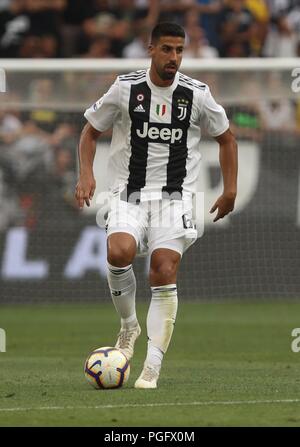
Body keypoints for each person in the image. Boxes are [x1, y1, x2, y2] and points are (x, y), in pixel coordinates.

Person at [75, 22, 238, 389]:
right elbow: (89, 130)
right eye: (166, 49)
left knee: (163, 269)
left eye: (179, 51)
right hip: (128, 191)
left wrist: (230, 190)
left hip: (175, 197)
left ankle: (151, 366)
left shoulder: (197, 94)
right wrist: (86, 174)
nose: (174, 58)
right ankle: (129, 326)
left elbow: (227, 139)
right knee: (119, 251)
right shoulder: (126, 88)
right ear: (151, 49)